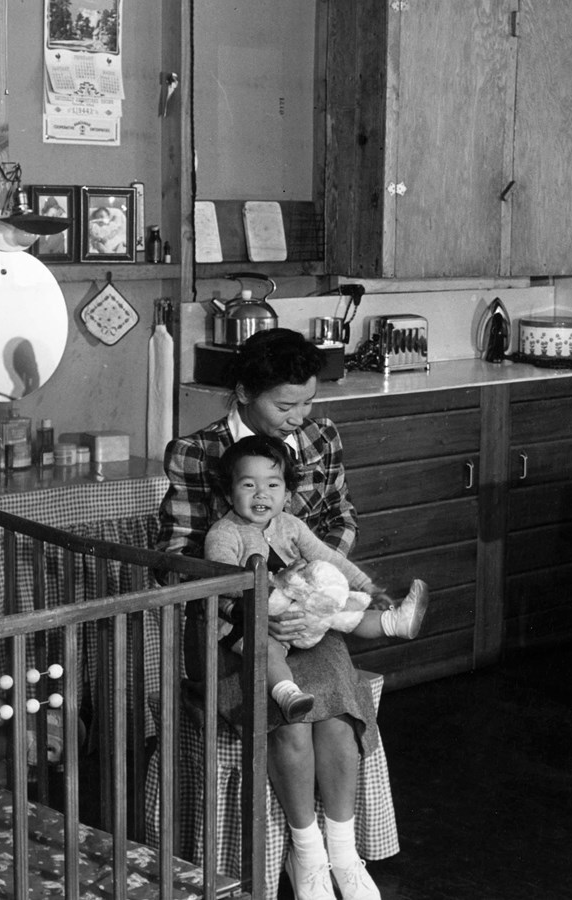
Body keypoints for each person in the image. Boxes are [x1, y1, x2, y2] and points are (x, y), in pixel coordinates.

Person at [159, 328, 419, 900]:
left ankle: (343, 856)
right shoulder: (196, 452)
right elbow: (173, 558)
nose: (300, 417)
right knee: (291, 722)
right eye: (285, 406)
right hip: (231, 628)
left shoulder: (321, 436)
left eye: (308, 402)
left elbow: (340, 521)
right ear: (243, 393)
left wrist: (315, 586)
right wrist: (252, 602)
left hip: (311, 617)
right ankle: (307, 858)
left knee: (338, 719)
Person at [204, 434, 428, 724]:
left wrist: (366, 585)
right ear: (228, 493)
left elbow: (329, 557)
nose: (261, 494)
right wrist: (275, 581)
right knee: (266, 650)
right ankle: (288, 694)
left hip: (297, 612)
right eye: (248, 485)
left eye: (272, 485)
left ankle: (394, 622)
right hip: (247, 620)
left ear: (287, 495)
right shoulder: (224, 533)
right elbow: (224, 577)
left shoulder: (291, 525)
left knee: (345, 610)